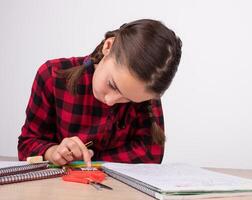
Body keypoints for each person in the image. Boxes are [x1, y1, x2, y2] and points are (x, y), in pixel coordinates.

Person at [18, 19, 182, 167]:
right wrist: (53, 152)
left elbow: (151, 154)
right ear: (108, 47)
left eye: (129, 99)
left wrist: (91, 159)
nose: (110, 101)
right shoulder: (52, 75)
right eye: (112, 85)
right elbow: (26, 145)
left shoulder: (143, 91)